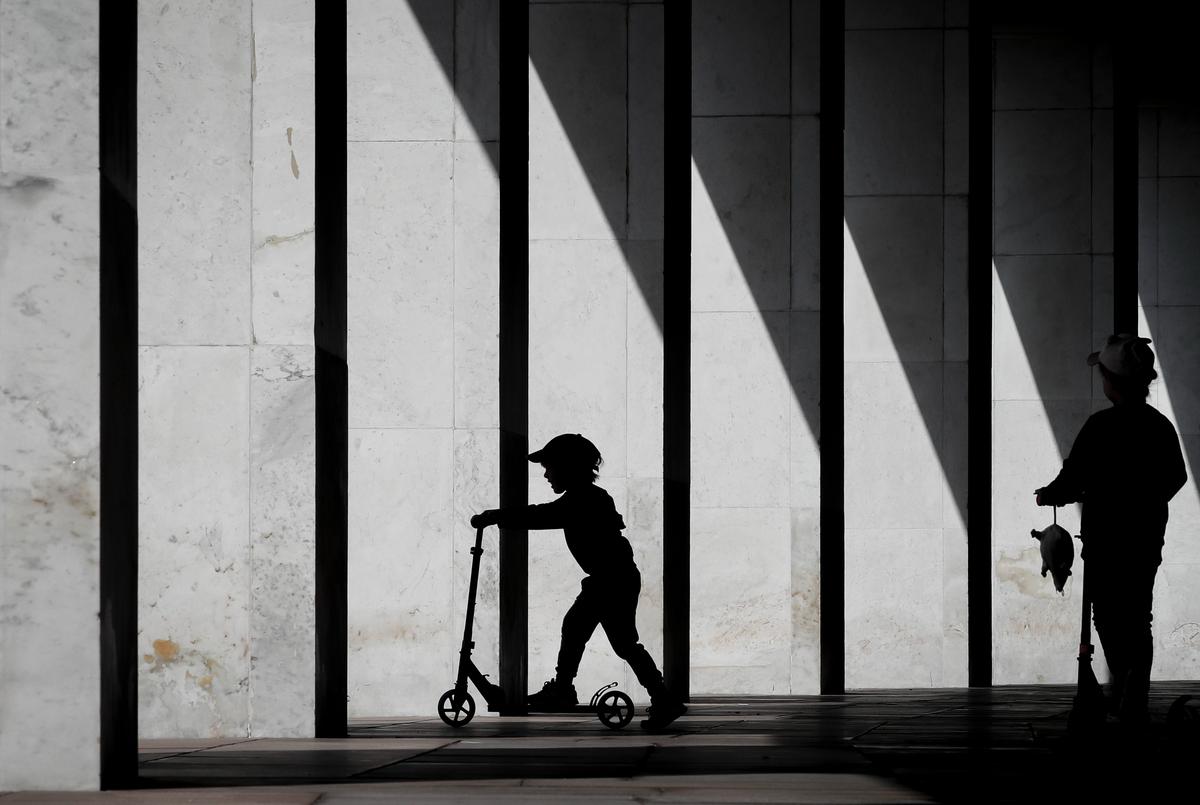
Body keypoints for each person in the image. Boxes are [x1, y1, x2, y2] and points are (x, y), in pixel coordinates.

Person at [471, 433, 687, 731]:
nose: (546, 474)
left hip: (609, 580)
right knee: (597, 634)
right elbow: (548, 513)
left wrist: (496, 516)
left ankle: (652, 697)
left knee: (604, 637)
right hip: (611, 578)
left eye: (550, 467)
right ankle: (649, 695)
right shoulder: (590, 497)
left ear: (569, 467)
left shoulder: (583, 499)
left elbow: (544, 514)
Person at [1035, 334, 1187, 723]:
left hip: (1105, 541)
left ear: (1110, 381)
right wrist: (1145, 501)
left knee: (1106, 614)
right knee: (1138, 614)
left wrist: (1050, 495)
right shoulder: (1159, 427)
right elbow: (1177, 477)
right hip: (1145, 537)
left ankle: (1123, 682)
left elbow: (1071, 480)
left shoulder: (1100, 427)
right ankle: (1134, 690)